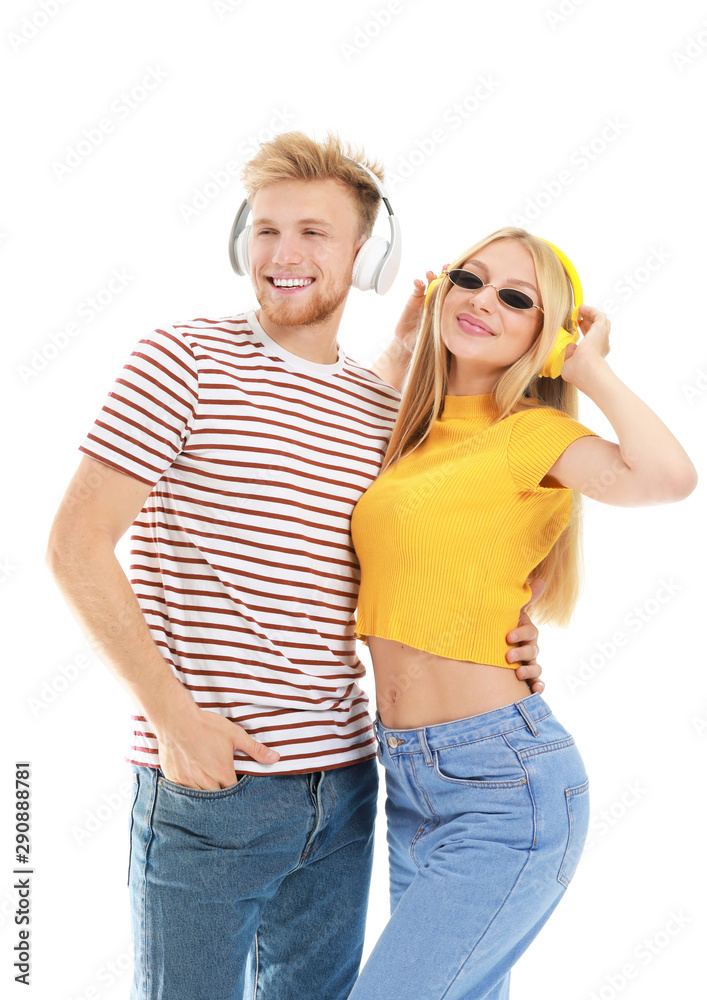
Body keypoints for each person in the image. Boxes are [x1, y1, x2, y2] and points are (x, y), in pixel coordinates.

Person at [44, 135, 545, 1000]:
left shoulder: (377, 404)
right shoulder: (182, 358)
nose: (283, 254)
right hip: (212, 785)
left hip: (349, 782)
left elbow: (427, 549)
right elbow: (74, 548)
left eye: (315, 233)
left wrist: (512, 632)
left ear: (366, 256)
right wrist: (172, 720)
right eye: (267, 230)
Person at [347, 228, 697, 1000]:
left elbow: (668, 478)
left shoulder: (528, 436)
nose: (484, 301)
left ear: (544, 336)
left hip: (501, 783)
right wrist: (404, 343)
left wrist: (589, 368)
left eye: (517, 298)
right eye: (470, 279)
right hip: (407, 781)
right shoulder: (409, 439)